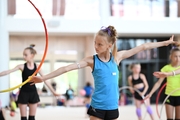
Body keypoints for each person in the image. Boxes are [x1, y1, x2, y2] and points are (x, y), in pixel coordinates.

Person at [30, 26, 175, 120]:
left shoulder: (117, 58)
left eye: (99, 44)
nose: (96, 46)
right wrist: (43, 78)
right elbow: (66, 68)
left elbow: (144, 46)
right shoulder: (91, 60)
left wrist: (165, 43)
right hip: (97, 107)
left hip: (113, 107)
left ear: (109, 46)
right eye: (95, 43)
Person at [0, 44, 59, 120]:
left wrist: (53, 92)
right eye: (23, 55)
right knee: (23, 118)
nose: (23, 57)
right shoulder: (22, 66)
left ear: (32, 55)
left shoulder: (37, 67)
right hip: (23, 93)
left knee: (32, 118)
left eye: (25, 55)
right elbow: (7, 72)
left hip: (33, 93)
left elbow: (45, 80)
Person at [146, 46, 180, 120]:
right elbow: (158, 83)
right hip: (169, 95)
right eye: (175, 56)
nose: (178, 59)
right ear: (171, 57)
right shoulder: (166, 68)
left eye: (179, 56)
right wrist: (150, 93)